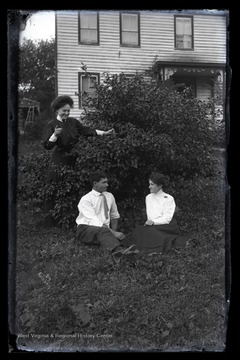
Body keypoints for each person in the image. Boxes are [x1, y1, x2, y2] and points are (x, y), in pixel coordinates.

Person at [42, 95, 114, 226]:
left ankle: (72, 219)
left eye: (68, 111)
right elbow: (47, 146)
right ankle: (50, 222)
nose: (66, 113)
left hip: (74, 158)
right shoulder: (51, 125)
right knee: (55, 186)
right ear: (57, 110)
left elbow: (86, 130)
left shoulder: (73, 122)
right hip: (59, 160)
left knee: (73, 187)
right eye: (64, 110)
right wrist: (55, 135)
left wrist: (104, 133)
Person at [121, 172, 187, 254]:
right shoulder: (148, 197)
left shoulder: (168, 198)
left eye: (152, 184)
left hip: (166, 225)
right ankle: (136, 249)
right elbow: (151, 215)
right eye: (149, 184)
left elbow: (167, 218)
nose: (149, 187)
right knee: (139, 232)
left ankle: (151, 249)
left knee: (154, 234)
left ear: (160, 186)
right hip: (151, 225)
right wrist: (151, 222)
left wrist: (153, 222)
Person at [76, 170, 137, 257]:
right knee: (104, 231)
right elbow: (94, 222)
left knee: (123, 236)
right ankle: (120, 251)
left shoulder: (109, 196)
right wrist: (113, 233)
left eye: (107, 182)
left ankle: (135, 250)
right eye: (104, 182)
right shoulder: (86, 199)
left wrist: (114, 231)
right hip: (85, 229)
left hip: (104, 230)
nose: (107, 185)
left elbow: (114, 215)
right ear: (95, 183)